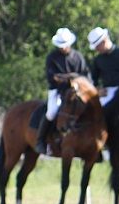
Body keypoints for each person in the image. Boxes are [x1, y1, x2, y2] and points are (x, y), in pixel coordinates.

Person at [38, 27, 91, 155]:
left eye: (64, 45)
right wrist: (71, 76)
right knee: (51, 111)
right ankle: (41, 140)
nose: (63, 48)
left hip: (76, 91)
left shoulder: (78, 57)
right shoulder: (52, 57)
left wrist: (69, 78)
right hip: (57, 90)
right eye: (60, 45)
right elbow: (53, 77)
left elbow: (86, 75)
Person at [87, 27, 119, 112]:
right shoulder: (98, 60)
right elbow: (92, 79)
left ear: (104, 40)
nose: (96, 49)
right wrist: (97, 90)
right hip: (108, 93)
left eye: (97, 46)